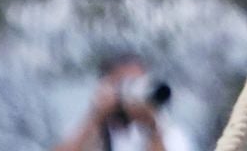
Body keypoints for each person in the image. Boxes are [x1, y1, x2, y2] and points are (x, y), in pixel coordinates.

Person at [50, 53, 195, 151]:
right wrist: (96, 117)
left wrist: (152, 128)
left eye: (139, 83)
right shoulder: (88, 131)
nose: (133, 92)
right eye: (125, 83)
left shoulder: (168, 132)